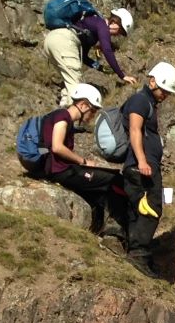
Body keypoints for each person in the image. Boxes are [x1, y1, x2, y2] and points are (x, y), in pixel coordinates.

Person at [37, 82, 125, 236]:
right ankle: (118, 229)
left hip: (60, 168)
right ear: (83, 105)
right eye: (93, 111)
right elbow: (57, 147)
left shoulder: (60, 118)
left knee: (100, 188)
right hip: (60, 170)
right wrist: (83, 162)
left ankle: (100, 227)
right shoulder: (62, 117)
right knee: (113, 179)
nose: (92, 116)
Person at [120, 62, 175, 273]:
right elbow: (135, 130)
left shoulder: (149, 103)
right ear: (152, 81)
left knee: (142, 208)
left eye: (168, 92)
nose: (165, 95)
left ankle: (136, 250)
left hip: (145, 165)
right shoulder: (140, 100)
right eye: (164, 89)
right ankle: (138, 254)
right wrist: (142, 161)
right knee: (153, 207)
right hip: (142, 167)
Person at [42, 2, 136, 106]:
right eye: (121, 31)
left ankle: (62, 110)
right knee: (77, 90)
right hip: (65, 42)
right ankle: (67, 116)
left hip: (51, 41)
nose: (118, 35)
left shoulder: (91, 26)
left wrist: (100, 68)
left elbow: (85, 58)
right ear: (115, 22)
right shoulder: (102, 25)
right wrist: (122, 75)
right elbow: (107, 50)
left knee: (69, 86)